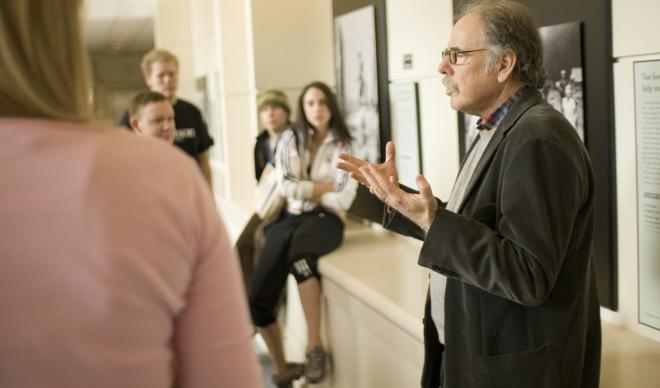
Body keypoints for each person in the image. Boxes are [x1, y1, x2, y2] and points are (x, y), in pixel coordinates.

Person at [337, 1, 601, 387]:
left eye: (456, 55)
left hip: (514, 370)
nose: (443, 68)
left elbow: (527, 275)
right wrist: (400, 202)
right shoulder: (499, 128)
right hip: (471, 353)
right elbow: (479, 231)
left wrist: (433, 221)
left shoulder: (537, 138)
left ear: (505, 63)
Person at [0, 1, 261, 387]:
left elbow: (205, 157)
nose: (168, 126)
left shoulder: (179, 153)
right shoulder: (161, 175)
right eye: (158, 121)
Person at [248, 81, 358, 388]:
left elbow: (344, 198)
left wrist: (308, 187)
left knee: (301, 256)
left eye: (322, 102)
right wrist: (324, 187)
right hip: (290, 217)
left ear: (331, 106)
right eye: (310, 103)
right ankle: (281, 368)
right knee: (257, 297)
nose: (317, 109)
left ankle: (314, 346)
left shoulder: (345, 143)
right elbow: (287, 187)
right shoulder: (289, 138)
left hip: (327, 220)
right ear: (303, 108)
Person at [119, 49, 214, 188]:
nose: (168, 80)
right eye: (161, 75)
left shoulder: (192, 111)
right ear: (148, 79)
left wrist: (209, 198)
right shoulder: (133, 116)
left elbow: (203, 160)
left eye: (172, 74)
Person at [235, 88, 292, 286]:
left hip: (290, 206)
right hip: (268, 205)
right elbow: (260, 179)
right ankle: (246, 299)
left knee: (262, 240)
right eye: (265, 109)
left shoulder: (296, 138)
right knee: (242, 245)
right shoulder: (261, 142)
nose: (270, 113)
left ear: (286, 112)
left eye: (275, 108)